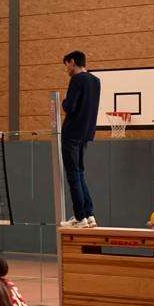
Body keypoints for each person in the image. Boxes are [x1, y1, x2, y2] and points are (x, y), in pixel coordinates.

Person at [60, 51, 102, 227]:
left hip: (72, 133)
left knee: (73, 176)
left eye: (67, 65)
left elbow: (70, 106)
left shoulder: (77, 79)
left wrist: (63, 102)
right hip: (85, 133)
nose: (67, 69)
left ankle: (79, 217)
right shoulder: (95, 81)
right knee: (79, 173)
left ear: (72, 62)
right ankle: (88, 214)